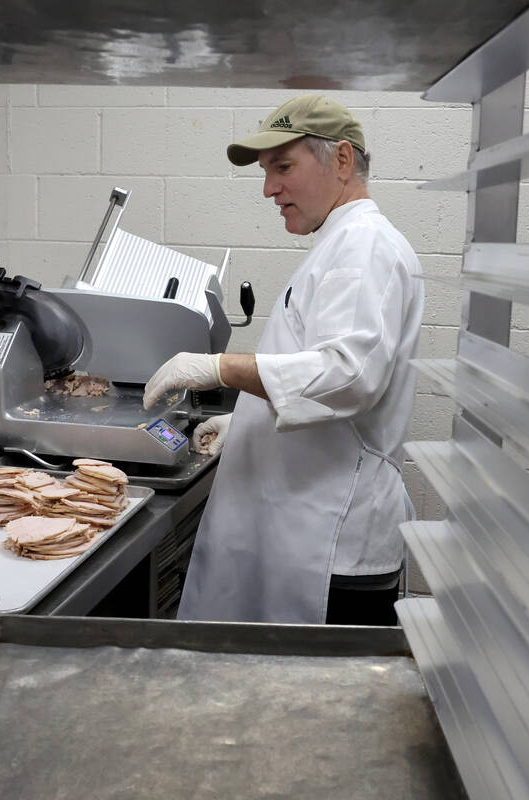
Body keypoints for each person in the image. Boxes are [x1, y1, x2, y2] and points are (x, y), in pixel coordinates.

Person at [142, 94, 424, 625]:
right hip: (310, 533)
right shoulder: (342, 244)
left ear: (342, 160)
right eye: (267, 173)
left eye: (283, 167)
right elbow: (316, 372)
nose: (270, 188)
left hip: (330, 550)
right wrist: (248, 419)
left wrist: (218, 368)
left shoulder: (364, 246)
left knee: (318, 702)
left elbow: (348, 376)